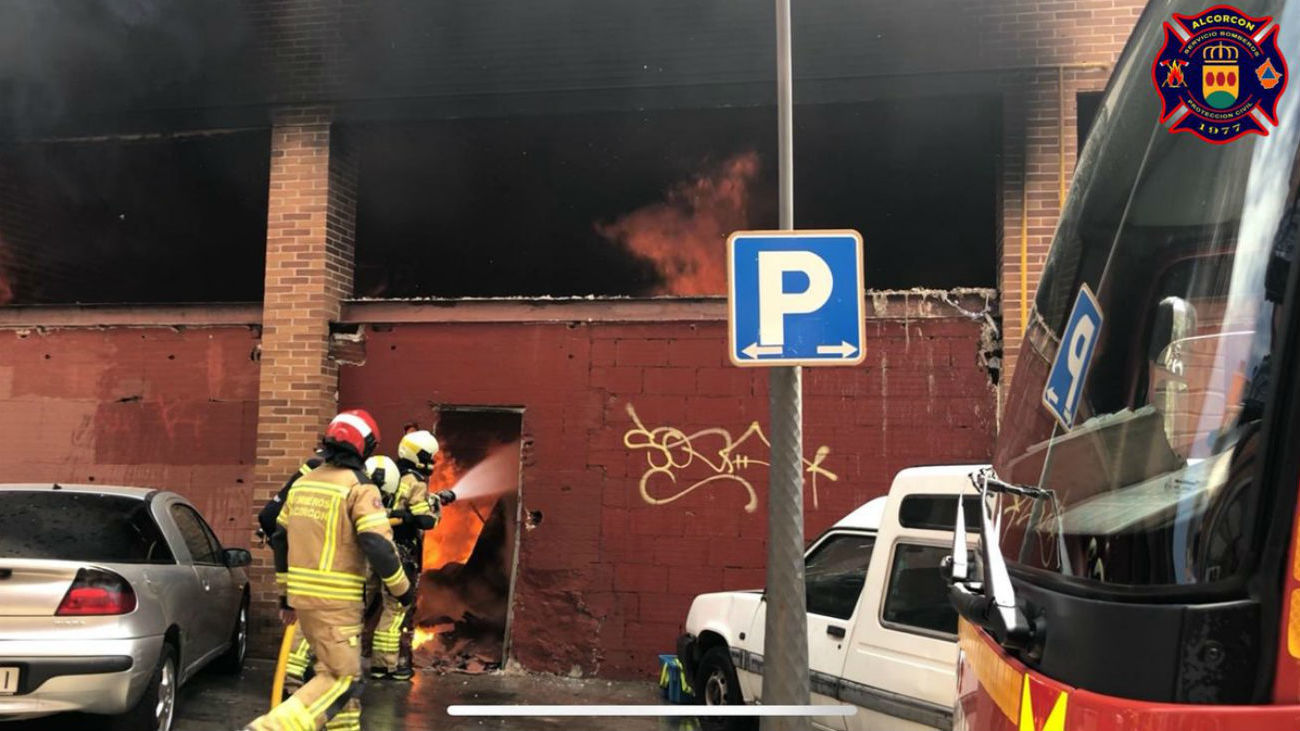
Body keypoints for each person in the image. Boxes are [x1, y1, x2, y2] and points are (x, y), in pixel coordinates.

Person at [243, 410, 413, 731]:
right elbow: (377, 544)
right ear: (365, 448)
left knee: (342, 691)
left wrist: (285, 597)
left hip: (304, 602)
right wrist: (403, 589)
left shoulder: (304, 483)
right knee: (341, 678)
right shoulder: (360, 488)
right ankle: (271, 727)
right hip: (337, 606)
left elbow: (279, 538)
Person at [370, 429, 445, 680]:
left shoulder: (392, 474)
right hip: (403, 554)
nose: (432, 462)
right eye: (429, 456)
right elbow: (425, 520)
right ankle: (388, 665)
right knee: (397, 609)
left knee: (375, 606)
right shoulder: (416, 481)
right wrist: (434, 509)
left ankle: (376, 663)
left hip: (379, 549)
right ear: (417, 455)